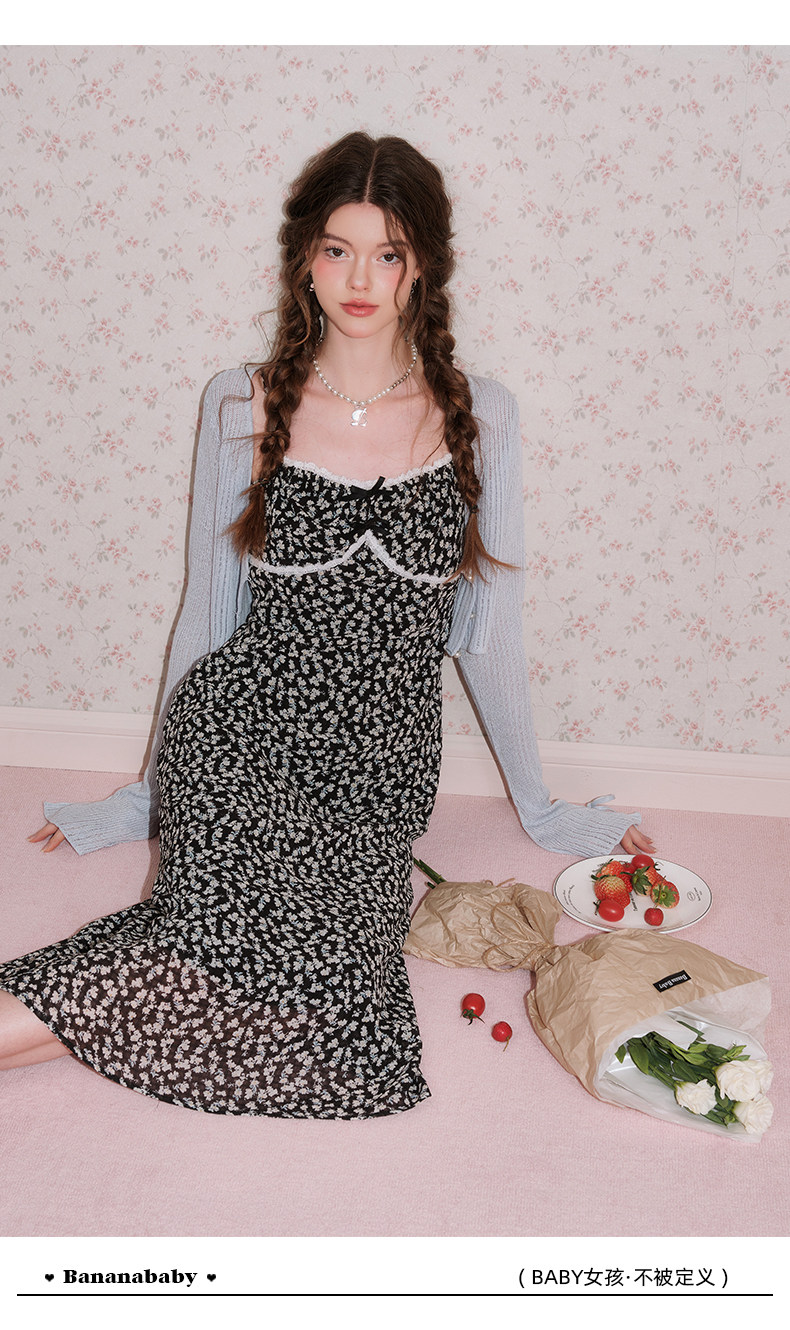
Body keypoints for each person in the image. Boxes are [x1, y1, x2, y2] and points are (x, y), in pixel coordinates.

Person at [0, 133, 653, 1114]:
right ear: (304, 256)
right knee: (212, 937)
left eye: (386, 254)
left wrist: (542, 805)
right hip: (239, 726)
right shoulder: (242, 401)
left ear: (421, 265)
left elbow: (489, 634)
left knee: (325, 1001)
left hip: (378, 763)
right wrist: (147, 796)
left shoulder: (483, 415)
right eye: (337, 249)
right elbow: (206, 616)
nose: (358, 279)